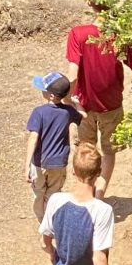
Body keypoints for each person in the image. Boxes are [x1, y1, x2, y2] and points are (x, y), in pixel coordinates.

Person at [64, 14, 132, 198]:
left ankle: (85, 193)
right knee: (108, 151)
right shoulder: (120, 34)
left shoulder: (78, 34)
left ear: (90, 4)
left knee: (85, 150)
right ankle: (99, 195)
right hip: (112, 103)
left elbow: (73, 73)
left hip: (85, 104)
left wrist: (68, 99)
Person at [24, 71, 80, 226]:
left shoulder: (39, 112)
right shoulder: (68, 112)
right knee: (53, 193)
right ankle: (51, 220)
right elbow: (84, 116)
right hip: (58, 163)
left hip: (39, 162)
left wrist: (27, 165)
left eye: (43, 89)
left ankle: (42, 221)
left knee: (38, 193)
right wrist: (75, 103)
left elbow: (33, 138)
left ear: (50, 96)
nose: (41, 90)